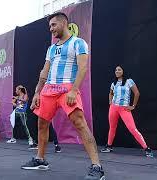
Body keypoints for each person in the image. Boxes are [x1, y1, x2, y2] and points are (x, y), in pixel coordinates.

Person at [21, 12, 105, 180]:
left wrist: (74, 90)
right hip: (48, 90)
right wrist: (37, 92)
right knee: (41, 124)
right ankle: (40, 159)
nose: (51, 29)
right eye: (50, 26)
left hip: (67, 88)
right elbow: (44, 72)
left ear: (63, 24)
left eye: (53, 25)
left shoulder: (78, 43)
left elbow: (82, 68)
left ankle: (97, 167)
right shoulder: (51, 48)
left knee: (80, 123)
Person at [100, 65, 153, 158]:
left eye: (119, 70)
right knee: (112, 128)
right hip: (113, 108)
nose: (117, 71)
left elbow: (137, 93)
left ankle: (147, 148)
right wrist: (110, 102)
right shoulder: (114, 83)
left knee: (132, 128)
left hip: (124, 108)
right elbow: (110, 93)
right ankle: (109, 146)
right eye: (116, 70)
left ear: (123, 71)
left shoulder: (129, 81)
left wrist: (133, 106)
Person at [7, 85, 38, 150]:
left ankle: (30, 139)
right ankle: (13, 138)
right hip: (16, 112)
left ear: (20, 90)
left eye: (16, 90)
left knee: (24, 125)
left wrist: (17, 98)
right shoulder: (18, 96)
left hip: (22, 113)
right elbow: (16, 104)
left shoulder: (25, 95)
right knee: (13, 124)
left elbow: (24, 100)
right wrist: (13, 103)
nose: (15, 91)